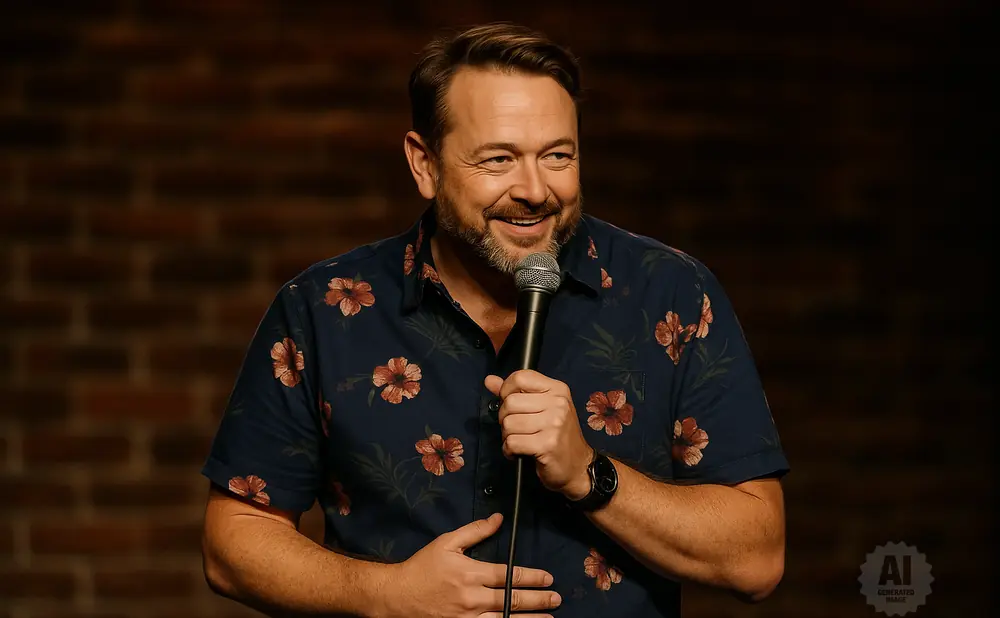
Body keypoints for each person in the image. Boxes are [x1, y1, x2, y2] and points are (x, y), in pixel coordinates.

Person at [200, 22, 789, 618]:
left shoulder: (671, 294)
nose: (534, 189)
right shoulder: (323, 309)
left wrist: (591, 473)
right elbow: (233, 542)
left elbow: (756, 558)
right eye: (499, 159)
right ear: (424, 164)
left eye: (557, 155)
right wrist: (385, 594)